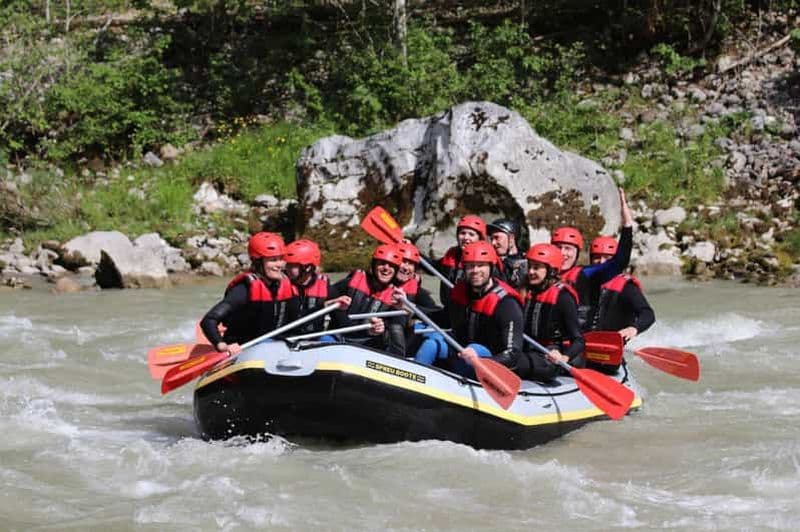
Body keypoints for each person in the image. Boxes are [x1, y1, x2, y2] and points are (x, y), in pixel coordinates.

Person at [426, 241, 524, 377]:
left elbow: (513, 353)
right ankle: (414, 384)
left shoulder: (507, 304)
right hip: (462, 350)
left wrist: (482, 361)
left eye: (481, 265)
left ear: (491, 267)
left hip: (488, 359)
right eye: (470, 266)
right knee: (432, 343)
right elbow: (445, 319)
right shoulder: (460, 291)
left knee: (475, 349)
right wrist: (412, 311)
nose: (475, 271)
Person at [199, 232, 300, 357]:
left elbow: (296, 322)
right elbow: (209, 320)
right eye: (273, 260)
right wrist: (221, 345)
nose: (279, 265)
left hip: (274, 346)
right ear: (257, 262)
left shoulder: (286, 286)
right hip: (242, 348)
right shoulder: (244, 290)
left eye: (281, 259)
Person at [552, 188, 634, 330]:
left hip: (579, 339)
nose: (563, 253)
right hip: (548, 339)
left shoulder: (586, 274)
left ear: (577, 253)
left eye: (568, 249)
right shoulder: (539, 273)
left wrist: (627, 226)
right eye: (559, 248)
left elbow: (619, 262)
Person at [517, 243, 585, 381]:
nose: (530, 272)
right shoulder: (526, 290)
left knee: (515, 362)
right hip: (528, 349)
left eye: (536, 267)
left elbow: (579, 340)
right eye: (530, 266)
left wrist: (564, 357)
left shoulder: (563, 297)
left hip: (549, 357)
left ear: (551, 270)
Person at [327, 244, 406, 356]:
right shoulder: (351, 282)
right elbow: (324, 300)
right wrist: (333, 305)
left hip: (368, 345)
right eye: (382, 263)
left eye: (391, 266)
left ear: (396, 270)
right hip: (339, 337)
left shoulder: (395, 296)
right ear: (374, 265)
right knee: (325, 339)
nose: (386, 268)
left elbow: (399, 327)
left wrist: (400, 309)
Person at [588, 235, 656, 347]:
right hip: (583, 347)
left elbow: (648, 314)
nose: (601, 262)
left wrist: (634, 328)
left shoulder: (626, 287)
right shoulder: (583, 281)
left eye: (607, 257)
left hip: (611, 350)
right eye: (597, 257)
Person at [284, 238, 340, 336]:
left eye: (292, 265)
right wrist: (322, 307)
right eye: (287, 264)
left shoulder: (326, 287)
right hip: (286, 339)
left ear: (307, 267)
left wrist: (371, 330)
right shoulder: (280, 286)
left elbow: (342, 321)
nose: (287, 269)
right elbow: (294, 319)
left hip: (315, 339)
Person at [435, 214, 487, 305]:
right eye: (462, 233)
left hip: (471, 311)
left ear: (480, 238)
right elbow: (433, 267)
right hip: (449, 309)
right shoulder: (452, 255)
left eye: (471, 234)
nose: (466, 238)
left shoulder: (486, 261)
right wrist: (414, 252)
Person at [487, 218, 527, 291]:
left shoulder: (528, 263)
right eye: (491, 239)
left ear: (511, 238)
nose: (493, 243)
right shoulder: (490, 264)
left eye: (497, 238)